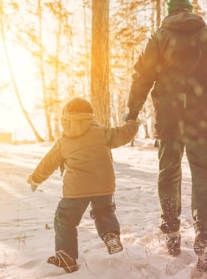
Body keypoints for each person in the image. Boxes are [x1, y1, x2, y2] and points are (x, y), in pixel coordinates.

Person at [124, 0, 207, 273]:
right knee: (204, 174)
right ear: (190, 11)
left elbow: (142, 77)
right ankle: (203, 231)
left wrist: (131, 113)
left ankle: (171, 231)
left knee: (169, 172)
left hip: (169, 120)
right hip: (203, 120)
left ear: (169, 12)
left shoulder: (159, 38)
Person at [27, 97, 140, 273]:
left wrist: (35, 179)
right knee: (104, 212)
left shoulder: (64, 142)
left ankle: (66, 256)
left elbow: (47, 163)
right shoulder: (101, 133)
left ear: (65, 118)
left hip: (76, 190)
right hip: (103, 184)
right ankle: (110, 235)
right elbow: (123, 134)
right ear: (90, 117)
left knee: (65, 219)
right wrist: (133, 122)